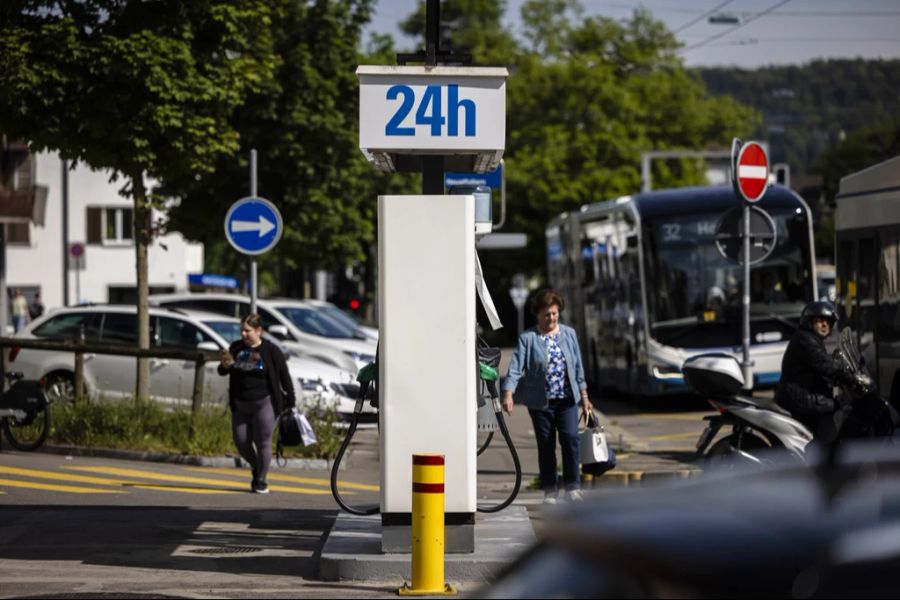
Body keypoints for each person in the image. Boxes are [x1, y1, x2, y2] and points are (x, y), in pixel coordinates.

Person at [501, 289, 593, 505]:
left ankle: (573, 486)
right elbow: (515, 368)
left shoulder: (568, 334)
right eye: (546, 314)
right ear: (538, 315)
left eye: (554, 313)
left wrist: (585, 396)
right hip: (540, 402)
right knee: (546, 444)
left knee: (570, 439)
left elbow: (578, 367)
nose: (551, 318)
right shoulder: (528, 339)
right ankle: (550, 491)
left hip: (567, 400)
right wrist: (508, 393)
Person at [217, 313, 296, 493]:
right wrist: (225, 365)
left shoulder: (271, 350)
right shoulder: (235, 348)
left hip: (265, 402)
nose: (244, 334)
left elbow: (284, 375)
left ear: (259, 331)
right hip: (240, 403)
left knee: (263, 442)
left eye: (248, 331)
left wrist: (290, 400)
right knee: (241, 441)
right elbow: (223, 370)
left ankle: (261, 480)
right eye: (242, 331)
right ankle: (256, 467)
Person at [775, 300, 858, 443]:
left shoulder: (811, 338)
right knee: (832, 407)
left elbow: (823, 365)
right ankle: (824, 451)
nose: (825, 324)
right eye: (820, 320)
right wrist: (852, 378)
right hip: (800, 396)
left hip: (802, 392)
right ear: (809, 321)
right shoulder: (805, 339)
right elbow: (826, 365)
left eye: (828, 321)